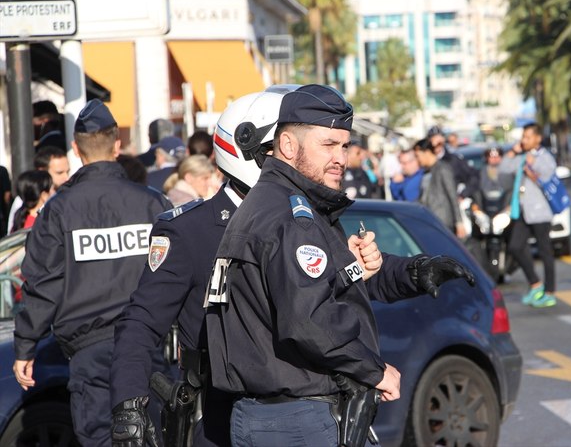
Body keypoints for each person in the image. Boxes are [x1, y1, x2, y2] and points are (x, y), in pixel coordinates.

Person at [205, 84, 475, 446]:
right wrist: (374, 370)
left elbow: (330, 284)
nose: (341, 158)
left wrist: (410, 272)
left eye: (345, 145)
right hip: (295, 418)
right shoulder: (289, 216)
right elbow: (309, 319)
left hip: (283, 415)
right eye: (328, 145)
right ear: (287, 146)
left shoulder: (284, 204)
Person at [110, 87, 298, 447]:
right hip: (222, 413)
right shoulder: (189, 230)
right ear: (250, 151)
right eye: (283, 148)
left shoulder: (304, 218)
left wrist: (403, 272)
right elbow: (142, 321)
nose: (294, 157)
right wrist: (128, 404)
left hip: (303, 408)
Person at [13, 99, 172, 446]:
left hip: (90, 354)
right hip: (148, 350)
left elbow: (42, 285)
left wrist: (26, 346)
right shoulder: (153, 203)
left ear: (75, 149)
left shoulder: (58, 211)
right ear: (117, 144)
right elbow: (176, 276)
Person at [499, 123, 558, 307]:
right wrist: (512, 151)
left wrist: (532, 169)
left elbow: (547, 176)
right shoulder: (522, 156)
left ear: (537, 138)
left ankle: (549, 291)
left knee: (545, 251)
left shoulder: (544, 157)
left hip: (540, 212)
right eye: (523, 137)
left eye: (527, 137)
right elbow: (503, 169)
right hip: (522, 211)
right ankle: (535, 284)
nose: (524, 140)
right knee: (515, 246)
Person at [6, 146, 70, 235]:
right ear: (42, 171)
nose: (66, 178)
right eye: (59, 173)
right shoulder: (22, 200)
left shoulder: (66, 195)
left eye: (68, 172)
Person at [413, 137, 467, 239]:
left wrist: (459, 222)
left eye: (418, 156)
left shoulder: (443, 168)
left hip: (443, 223)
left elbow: (452, 195)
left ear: (427, 152)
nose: (417, 160)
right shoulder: (426, 172)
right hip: (430, 222)